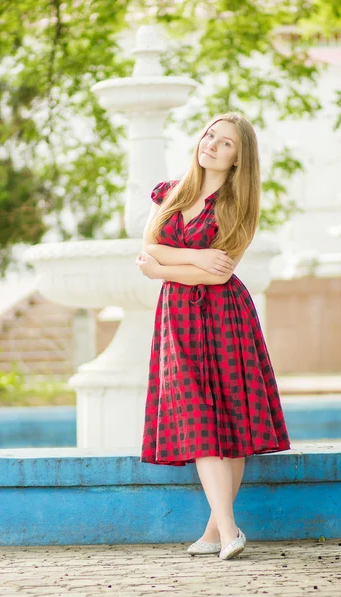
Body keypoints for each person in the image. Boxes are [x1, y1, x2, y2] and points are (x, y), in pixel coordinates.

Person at [135, 112, 290, 560]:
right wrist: (196, 260)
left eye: (224, 143)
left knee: (230, 419)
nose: (211, 145)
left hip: (225, 317)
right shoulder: (168, 193)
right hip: (179, 320)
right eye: (209, 135)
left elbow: (221, 276)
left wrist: (164, 269)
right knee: (200, 417)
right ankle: (226, 532)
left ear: (239, 158)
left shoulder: (239, 204)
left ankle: (219, 534)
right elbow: (148, 248)